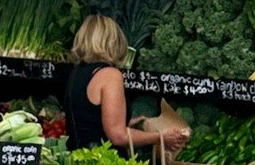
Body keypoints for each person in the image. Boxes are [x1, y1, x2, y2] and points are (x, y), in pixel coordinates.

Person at [63, 14, 187, 156]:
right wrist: (161, 137)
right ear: (113, 42)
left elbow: (88, 120)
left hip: (76, 159)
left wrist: (128, 122)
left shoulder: (76, 73)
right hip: (103, 164)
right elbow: (118, 136)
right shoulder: (109, 75)